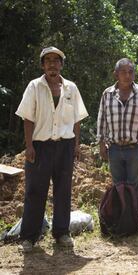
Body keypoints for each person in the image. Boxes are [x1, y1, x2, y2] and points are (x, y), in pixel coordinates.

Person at [15, 46, 88, 252]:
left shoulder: (71, 88)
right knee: (35, 191)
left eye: (56, 60)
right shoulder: (34, 86)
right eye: (48, 60)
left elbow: (77, 119)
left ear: (62, 65)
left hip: (65, 146)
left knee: (63, 190)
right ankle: (29, 237)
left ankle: (62, 233)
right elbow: (28, 117)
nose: (52, 64)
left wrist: (75, 145)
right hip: (40, 146)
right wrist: (29, 145)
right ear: (42, 65)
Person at [97, 58, 138, 227]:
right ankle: (121, 218)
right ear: (116, 74)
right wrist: (101, 143)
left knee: (135, 185)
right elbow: (102, 119)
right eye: (123, 72)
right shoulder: (107, 94)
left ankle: (136, 219)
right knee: (118, 185)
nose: (127, 75)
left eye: (130, 72)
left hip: (135, 148)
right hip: (114, 148)